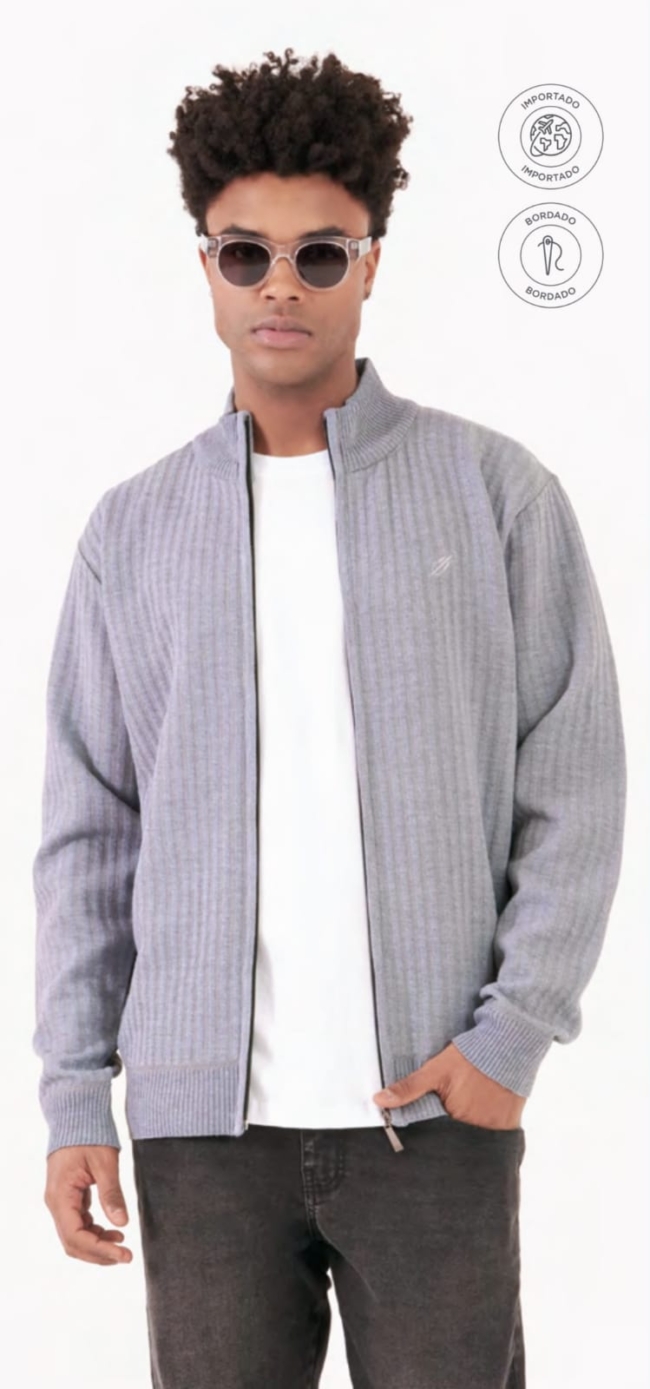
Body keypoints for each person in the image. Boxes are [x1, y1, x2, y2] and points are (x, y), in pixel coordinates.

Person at [32, 46, 627, 1389]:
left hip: (435, 1114)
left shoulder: (496, 495)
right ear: (206, 267)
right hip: (201, 1137)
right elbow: (88, 838)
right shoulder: (133, 532)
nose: (281, 286)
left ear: (371, 264)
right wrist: (75, 1095)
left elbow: (577, 784)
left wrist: (507, 1040)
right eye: (246, 254)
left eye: (319, 254)